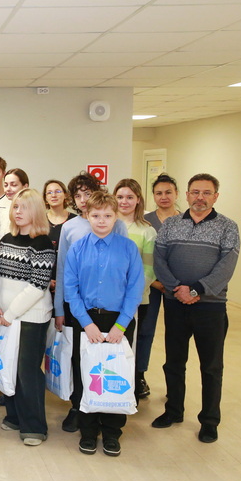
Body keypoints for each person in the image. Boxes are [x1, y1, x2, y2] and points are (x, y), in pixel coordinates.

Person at [151, 173, 240, 444]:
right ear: (187, 195)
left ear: (216, 196)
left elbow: (226, 267)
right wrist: (176, 288)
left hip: (210, 307)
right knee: (174, 362)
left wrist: (195, 290)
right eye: (196, 192)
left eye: (206, 192)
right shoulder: (171, 225)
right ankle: (173, 411)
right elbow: (159, 260)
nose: (200, 197)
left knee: (211, 367)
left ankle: (209, 421)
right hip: (175, 304)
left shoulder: (228, 227)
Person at [64, 191, 143, 457]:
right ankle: (88, 431)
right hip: (86, 320)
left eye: (107, 215)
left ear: (115, 216)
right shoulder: (77, 249)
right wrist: (86, 324)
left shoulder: (128, 248)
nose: (101, 220)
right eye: (96, 215)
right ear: (87, 215)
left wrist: (121, 326)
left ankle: (111, 431)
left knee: (116, 374)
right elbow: (71, 290)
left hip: (119, 320)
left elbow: (135, 289)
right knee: (86, 374)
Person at [54, 172, 128, 433]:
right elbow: (63, 270)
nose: (83, 199)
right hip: (78, 308)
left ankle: (106, 410)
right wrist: (59, 308)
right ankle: (78, 407)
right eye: (78, 195)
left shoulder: (116, 225)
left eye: (88, 193)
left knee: (106, 361)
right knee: (79, 360)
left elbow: (125, 270)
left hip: (111, 309)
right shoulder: (70, 228)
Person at [0, 188, 55, 446]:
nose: (17, 212)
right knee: (9, 367)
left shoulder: (42, 244)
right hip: (5, 317)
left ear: (36, 211)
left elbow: (37, 286)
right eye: (15, 207)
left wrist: (10, 313)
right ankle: (15, 417)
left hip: (31, 318)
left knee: (27, 372)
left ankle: (35, 427)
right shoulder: (7, 239)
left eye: (24, 208)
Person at [114, 178, 157, 400]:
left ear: (138, 200)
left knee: (132, 344)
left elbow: (149, 270)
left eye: (130, 197)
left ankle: (131, 386)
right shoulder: (107, 225)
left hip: (136, 300)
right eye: (120, 197)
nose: (124, 201)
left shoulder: (147, 231)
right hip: (109, 300)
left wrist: (130, 296)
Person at [140, 173, 181, 398]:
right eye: (158, 193)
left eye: (168, 192)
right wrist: (155, 282)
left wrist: (174, 284)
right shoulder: (145, 220)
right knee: (145, 330)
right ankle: (140, 375)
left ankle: (174, 384)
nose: (163, 197)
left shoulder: (186, 220)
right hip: (152, 285)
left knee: (176, 335)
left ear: (176, 194)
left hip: (178, 287)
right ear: (153, 196)